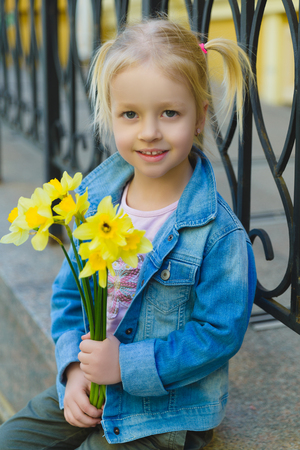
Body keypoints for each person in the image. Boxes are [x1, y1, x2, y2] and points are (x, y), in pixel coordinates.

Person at [0, 18, 256, 450]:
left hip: (164, 411)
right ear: (110, 115)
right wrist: (73, 369)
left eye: (169, 113)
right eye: (131, 114)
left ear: (199, 117)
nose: (149, 131)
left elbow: (218, 333)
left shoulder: (217, 233)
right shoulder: (94, 200)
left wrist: (126, 364)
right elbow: (68, 297)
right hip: (94, 388)